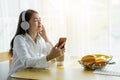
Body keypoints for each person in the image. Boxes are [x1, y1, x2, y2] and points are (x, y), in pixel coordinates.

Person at [7, 9, 65, 80]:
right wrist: (49, 57)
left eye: (40, 19)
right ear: (25, 24)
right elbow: (27, 62)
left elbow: (49, 52)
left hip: (32, 75)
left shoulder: (39, 39)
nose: (40, 22)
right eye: (36, 20)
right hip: (18, 77)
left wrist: (46, 38)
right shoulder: (19, 39)